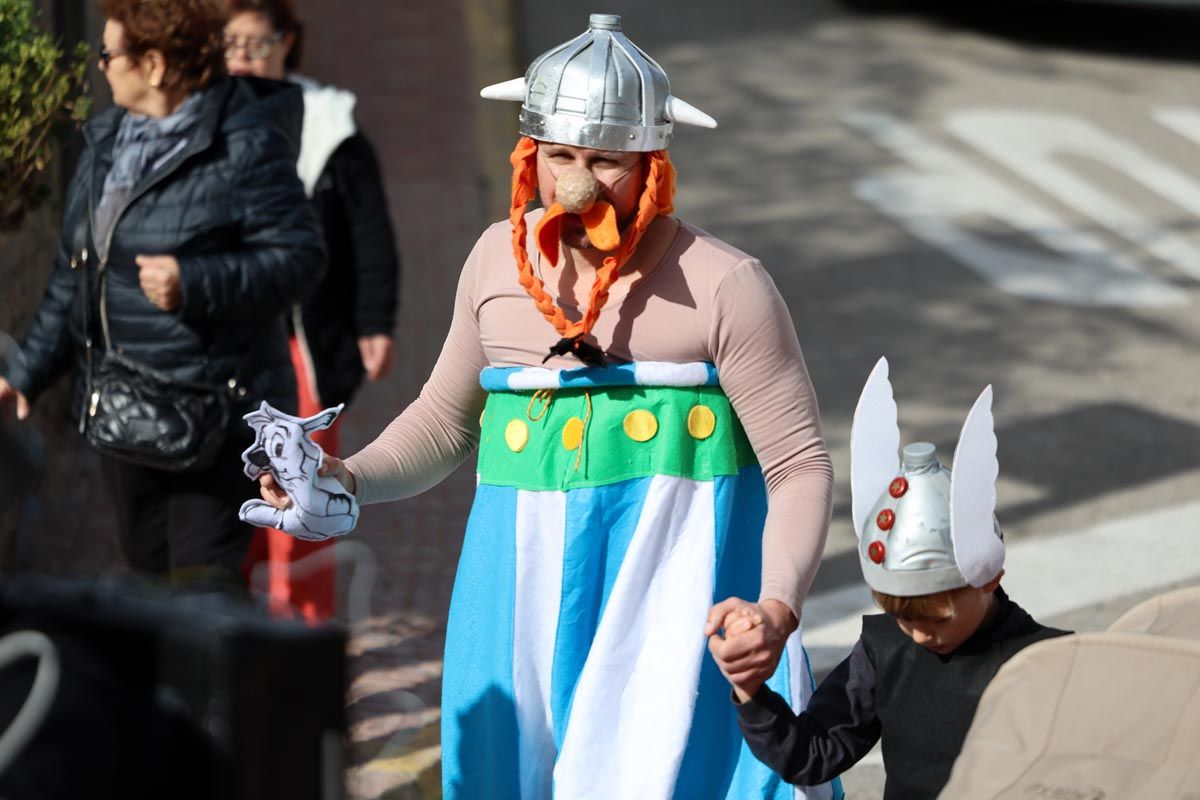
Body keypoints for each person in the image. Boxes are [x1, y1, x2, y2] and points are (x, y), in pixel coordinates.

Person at [258, 13, 836, 799]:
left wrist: (776, 608)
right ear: (530, 155)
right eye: (560, 156)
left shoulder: (728, 285)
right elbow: (444, 421)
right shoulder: (496, 259)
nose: (578, 182)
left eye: (606, 161)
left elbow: (799, 465)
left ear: (654, 164)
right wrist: (344, 479)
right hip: (515, 618)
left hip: (676, 631)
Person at [0, 0, 323, 587]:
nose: (101, 67)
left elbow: (299, 260)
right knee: (149, 593)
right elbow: (75, 272)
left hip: (215, 419)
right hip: (124, 415)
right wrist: (27, 372)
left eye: (109, 54)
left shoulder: (244, 142)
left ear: (153, 65)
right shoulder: (107, 144)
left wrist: (193, 283)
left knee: (202, 598)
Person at [710, 359, 1069, 799]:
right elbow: (814, 752)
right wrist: (751, 690)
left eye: (937, 618)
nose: (918, 635)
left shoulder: (1052, 659)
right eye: (901, 617)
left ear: (989, 577)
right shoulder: (885, 652)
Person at [223, 0, 401, 621]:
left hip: (305, 343)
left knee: (302, 485)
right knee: (230, 490)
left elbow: (369, 230)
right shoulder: (200, 120)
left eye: (257, 42)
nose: (243, 55)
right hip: (226, 340)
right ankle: (232, 622)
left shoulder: (327, 123)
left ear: (286, 43)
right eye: (231, 42)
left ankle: (303, 628)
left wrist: (375, 321)